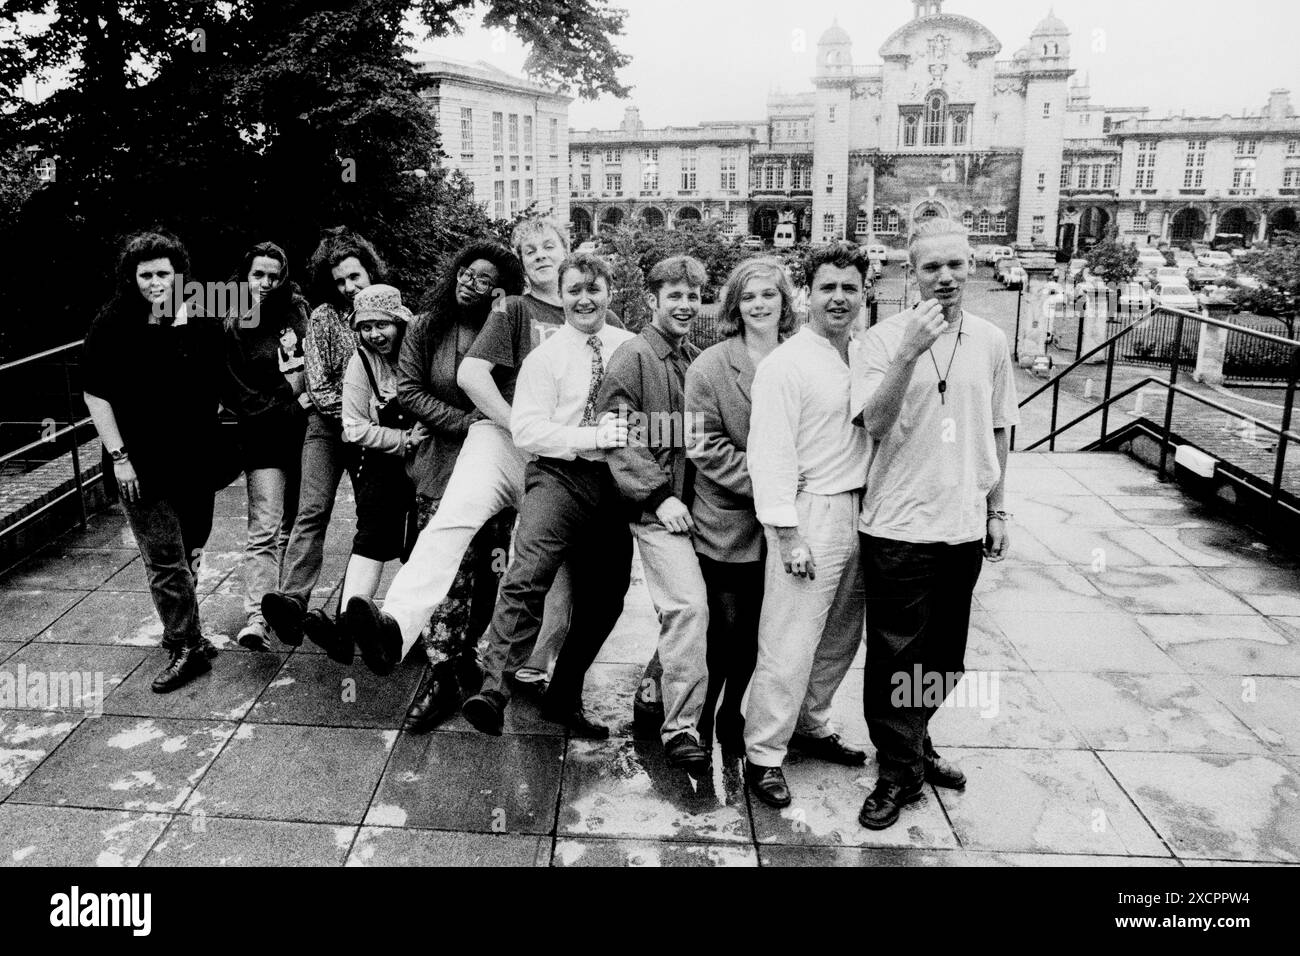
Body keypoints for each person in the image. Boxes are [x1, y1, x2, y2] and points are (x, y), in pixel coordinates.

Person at [341, 217, 577, 680]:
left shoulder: (591, 308)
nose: (543, 255)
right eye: (532, 251)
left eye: (551, 246)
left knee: (548, 563)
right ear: (523, 266)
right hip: (502, 441)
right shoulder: (509, 309)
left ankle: (528, 667)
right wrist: (516, 426)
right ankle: (398, 625)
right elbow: (469, 375)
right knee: (450, 525)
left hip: (561, 455)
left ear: (566, 250)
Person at [853, 217, 1017, 830]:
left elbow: (999, 429)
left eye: (956, 265)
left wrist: (998, 508)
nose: (945, 277)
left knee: (944, 659)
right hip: (897, 525)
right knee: (897, 658)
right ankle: (897, 773)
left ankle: (913, 741)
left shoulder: (992, 341)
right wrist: (908, 353)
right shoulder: (879, 341)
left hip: (964, 524)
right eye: (931, 267)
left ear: (971, 265)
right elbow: (873, 422)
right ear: (909, 271)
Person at [458, 253, 635, 738]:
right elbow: (527, 430)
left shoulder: (629, 347)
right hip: (558, 476)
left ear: (608, 292)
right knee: (527, 574)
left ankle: (565, 694)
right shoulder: (546, 356)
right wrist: (589, 437)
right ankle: (494, 689)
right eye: (574, 290)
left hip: (613, 484)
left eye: (593, 289)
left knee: (607, 597)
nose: (584, 299)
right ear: (561, 295)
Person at [742, 242, 872, 810]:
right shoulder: (785, 364)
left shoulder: (865, 355)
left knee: (843, 633)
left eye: (849, 287)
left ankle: (811, 724)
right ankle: (763, 753)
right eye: (828, 287)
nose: (838, 297)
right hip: (810, 512)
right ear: (808, 295)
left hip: (864, 510)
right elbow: (768, 453)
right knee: (789, 639)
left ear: (863, 295)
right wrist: (787, 534)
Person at [82, 230, 223, 692]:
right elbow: (95, 393)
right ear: (132, 277)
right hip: (139, 464)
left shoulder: (197, 314)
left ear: (179, 274)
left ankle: (189, 636)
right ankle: (185, 645)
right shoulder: (113, 323)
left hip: (192, 457)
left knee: (190, 546)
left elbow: (216, 376)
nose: (155, 281)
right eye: (146, 274)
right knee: (164, 557)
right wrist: (120, 457)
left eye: (164, 273)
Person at [393, 241, 524, 731]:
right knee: (449, 572)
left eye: (484, 278)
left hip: (495, 466)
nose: (469, 282)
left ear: (500, 290)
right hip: (441, 467)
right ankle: (440, 670)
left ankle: (467, 652)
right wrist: (466, 421)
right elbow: (408, 390)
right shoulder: (426, 326)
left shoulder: (511, 327)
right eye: (466, 272)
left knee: (492, 568)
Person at [594, 256, 710, 772]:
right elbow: (618, 435)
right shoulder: (632, 357)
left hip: (697, 506)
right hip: (654, 507)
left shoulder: (695, 359)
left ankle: (652, 692)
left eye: (693, 296)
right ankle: (680, 728)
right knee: (687, 606)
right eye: (675, 296)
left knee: (711, 606)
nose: (686, 305)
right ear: (652, 301)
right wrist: (659, 496)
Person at [684, 257, 795, 754]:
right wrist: (769, 483)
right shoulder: (710, 365)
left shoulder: (800, 359)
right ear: (735, 305)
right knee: (724, 630)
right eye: (748, 297)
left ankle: (734, 711)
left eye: (768, 295)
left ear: (784, 301)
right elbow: (701, 443)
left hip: (788, 522)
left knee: (758, 630)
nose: (758, 305)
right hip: (728, 520)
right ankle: (702, 714)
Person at [260, 231, 383, 650]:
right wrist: (357, 416)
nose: (350, 287)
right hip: (329, 430)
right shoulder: (324, 319)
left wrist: (373, 426)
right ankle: (292, 603)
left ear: (370, 271)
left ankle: (352, 616)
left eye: (355, 277)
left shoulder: (391, 313)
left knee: (371, 520)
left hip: (373, 436)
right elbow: (318, 384)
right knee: (311, 510)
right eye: (341, 281)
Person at [219, 241, 310, 650]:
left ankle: (286, 608)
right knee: (265, 528)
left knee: (297, 524)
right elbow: (235, 388)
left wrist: (294, 397)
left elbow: (308, 370)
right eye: (259, 274)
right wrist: (285, 400)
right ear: (246, 274)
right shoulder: (232, 320)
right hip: (261, 432)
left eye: (274, 275)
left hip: (302, 432)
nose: (266, 283)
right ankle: (257, 617)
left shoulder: (296, 311)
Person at [334, 285, 429, 665]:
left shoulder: (420, 349)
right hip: (381, 458)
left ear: (399, 321)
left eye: (382, 325)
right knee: (372, 536)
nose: (374, 334)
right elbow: (353, 426)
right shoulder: (361, 361)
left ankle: (407, 629)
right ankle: (348, 629)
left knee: (421, 544)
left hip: (429, 461)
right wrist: (401, 438)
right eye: (366, 326)